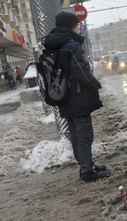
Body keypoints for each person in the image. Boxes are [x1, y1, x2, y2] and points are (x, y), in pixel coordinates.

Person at [43, 11, 111, 183]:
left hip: (64, 96)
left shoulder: (55, 44)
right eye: (77, 25)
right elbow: (80, 72)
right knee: (84, 134)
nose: (79, 27)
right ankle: (87, 171)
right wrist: (95, 84)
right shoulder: (72, 45)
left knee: (76, 134)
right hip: (78, 96)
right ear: (71, 27)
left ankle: (85, 164)